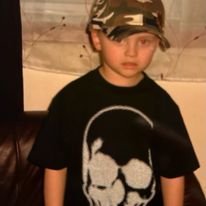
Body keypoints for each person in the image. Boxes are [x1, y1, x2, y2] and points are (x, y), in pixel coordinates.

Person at [28, 0, 200, 205]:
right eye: (120, 39)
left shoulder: (163, 106)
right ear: (96, 38)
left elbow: (173, 174)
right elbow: (55, 167)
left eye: (144, 41)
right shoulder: (70, 100)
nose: (131, 52)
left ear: (156, 43)